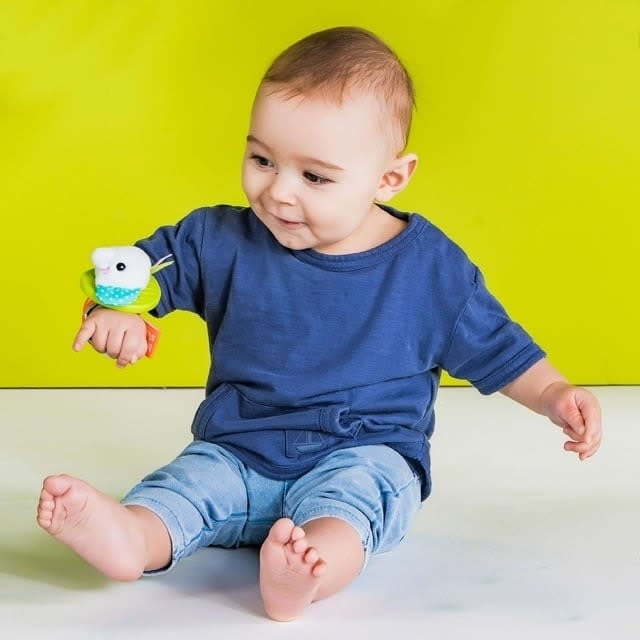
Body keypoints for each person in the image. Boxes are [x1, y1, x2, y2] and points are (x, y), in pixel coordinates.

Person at [37, 26, 602, 622]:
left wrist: (555, 393)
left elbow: (499, 349)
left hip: (364, 447)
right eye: (261, 159)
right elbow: (131, 272)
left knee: (354, 503)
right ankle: (134, 537)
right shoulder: (218, 238)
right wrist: (113, 311)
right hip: (238, 447)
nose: (277, 192)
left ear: (390, 178)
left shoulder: (430, 268)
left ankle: (307, 572)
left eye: (314, 177)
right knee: (190, 486)